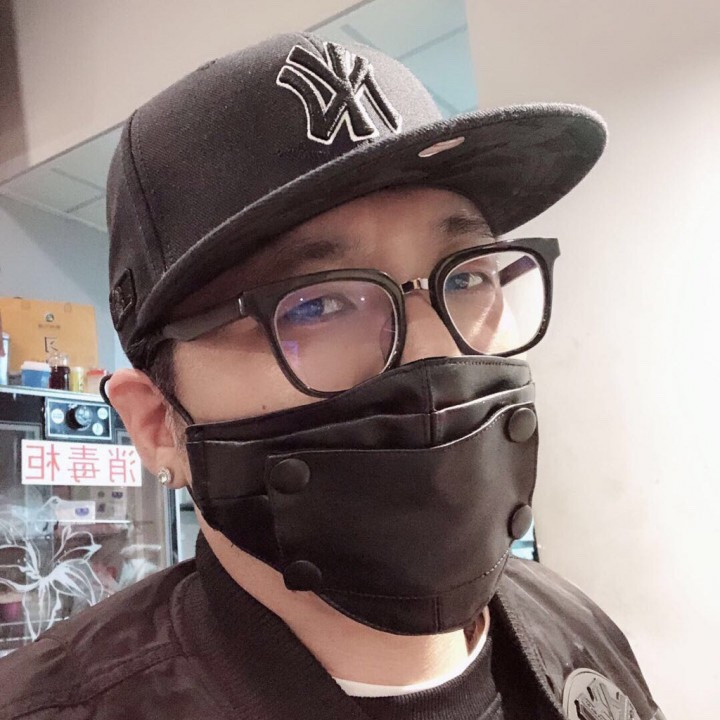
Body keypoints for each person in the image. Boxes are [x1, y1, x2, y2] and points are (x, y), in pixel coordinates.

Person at [0, 32, 665, 720]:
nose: (434, 350)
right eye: (316, 305)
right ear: (156, 425)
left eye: (466, 277)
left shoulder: (578, 630)